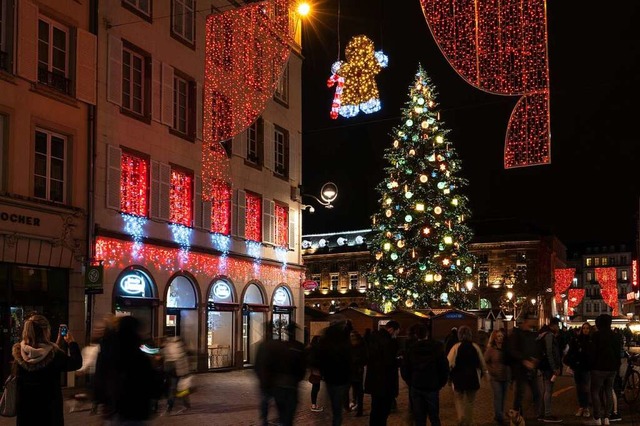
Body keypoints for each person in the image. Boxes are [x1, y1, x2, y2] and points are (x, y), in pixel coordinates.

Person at [11, 314, 82, 425]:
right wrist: (71, 342)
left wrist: (57, 343)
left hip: (26, 413)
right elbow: (76, 363)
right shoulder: (55, 355)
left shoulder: (19, 353)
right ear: (46, 331)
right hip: (49, 414)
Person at [94, 315, 161, 424]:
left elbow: (99, 379)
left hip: (114, 410)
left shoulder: (108, 353)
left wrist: (102, 401)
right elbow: (153, 386)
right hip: (136, 412)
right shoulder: (140, 358)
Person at [255, 322, 307, 426]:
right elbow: (302, 367)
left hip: (276, 382)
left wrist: (264, 377)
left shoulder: (269, 345)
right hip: (289, 384)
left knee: (277, 408)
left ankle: (266, 420)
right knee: (288, 413)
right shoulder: (296, 346)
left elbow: (260, 365)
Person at [400, 322, 448, 426]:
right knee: (434, 417)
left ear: (416, 335)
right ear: (427, 334)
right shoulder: (437, 348)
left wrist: (411, 382)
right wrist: (440, 383)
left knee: (419, 418)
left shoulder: (411, 349)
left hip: (416, 385)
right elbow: (444, 367)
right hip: (432, 386)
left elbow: (405, 369)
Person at [447, 325, 487, 426]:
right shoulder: (475, 347)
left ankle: (461, 417)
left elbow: (449, 363)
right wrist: (485, 373)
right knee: (470, 402)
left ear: (459, 335)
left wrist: (448, 376)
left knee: (458, 399)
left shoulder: (456, 347)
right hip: (472, 377)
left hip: (458, 377)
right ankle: (468, 421)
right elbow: (482, 362)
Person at [586, 314, 622, 425]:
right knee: (609, 391)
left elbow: (592, 352)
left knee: (595, 391)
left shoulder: (595, 336)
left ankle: (597, 417)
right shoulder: (615, 336)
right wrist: (617, 366)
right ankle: (607, 417)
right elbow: (618, 353)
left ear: (598, 324)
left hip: (598, 367)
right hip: (612, 368)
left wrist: (590, 365)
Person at [364, 320, 401, 426]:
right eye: (396, 332)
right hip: (385, 382)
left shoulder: (373, 338)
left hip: (374, 381)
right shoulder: (388, 342)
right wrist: (399, 360)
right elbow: (389, 362)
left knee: (375, 409)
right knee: (384, 410)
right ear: (391, 330)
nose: (396, 335)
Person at [317, 317, 353, 426]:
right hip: (341, 377)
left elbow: (319, 356)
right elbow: (349, 359)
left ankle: (329, 418)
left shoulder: (325, 338)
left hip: (329, 376)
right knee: (337, 408)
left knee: (332, 402)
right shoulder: (344, 340)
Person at [508, 312, 542, 419]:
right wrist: (524, 360)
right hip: (520, 369)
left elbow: (536, 349)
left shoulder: (533, 334)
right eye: (533, 319)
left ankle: (535, 414)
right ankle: (517, 415)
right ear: (526, 321)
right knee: (520, 394)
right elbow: (513, 351)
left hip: (531, 369)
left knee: (536, 393)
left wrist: (536, 359)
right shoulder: (517, 334)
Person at [537, 317, 563, 423]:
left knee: (546, 390)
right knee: (548, 390)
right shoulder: (549, 335)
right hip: (548, 367)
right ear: (554, 325)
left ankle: (542, 413)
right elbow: (550, 352)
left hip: (545, 366)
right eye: (558, 326)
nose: (559, 328)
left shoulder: (544, 334)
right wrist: (554, 367)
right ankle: (547, 414)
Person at [564, 322, 591, 418]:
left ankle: (586, 407)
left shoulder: (591, 340)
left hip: (587, 368)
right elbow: (571, 352)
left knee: (586, 388)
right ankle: (581, 407)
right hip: (577, 367)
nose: (585, 330)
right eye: (584, 328)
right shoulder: (576, 339)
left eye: (587, 328)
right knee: (579, 388)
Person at [484, 329, 509, 425]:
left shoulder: (506, 348)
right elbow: (485, 361)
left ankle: (500, 414)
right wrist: (491, 371)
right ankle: (499, 416)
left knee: (503, 397)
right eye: (498, 336)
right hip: (495, 378)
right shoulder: (491, 349)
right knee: (498, 397)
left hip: (505, 376)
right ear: (494, 338)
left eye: (502, 336)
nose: (500, 337)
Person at [162, 336, 191, 415]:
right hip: (180, 369)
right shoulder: (180, 344)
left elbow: (165, 357)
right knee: (182, 387)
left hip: (171, 370)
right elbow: (184, 357)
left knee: (173, 388)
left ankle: (170, 406)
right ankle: (185, 404)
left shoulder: (167, 345)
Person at [347, 330, 368, 417]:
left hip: (358, 371)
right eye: (351, 336)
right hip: (350, 371)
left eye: (353, 336)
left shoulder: (361, 346)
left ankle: (359, 409)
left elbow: (365, 358)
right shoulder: (349, 346)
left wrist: (358, 362)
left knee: (359, 390)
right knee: (351, 389)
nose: (352, 338)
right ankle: (352, 403)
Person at [306, 335, 324, 412]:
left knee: (316, 386)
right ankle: (313, 405)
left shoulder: (311, 348)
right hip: (316, 370)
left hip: (314, 369)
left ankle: (314, 404)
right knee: (316, 387)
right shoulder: (316, 349)